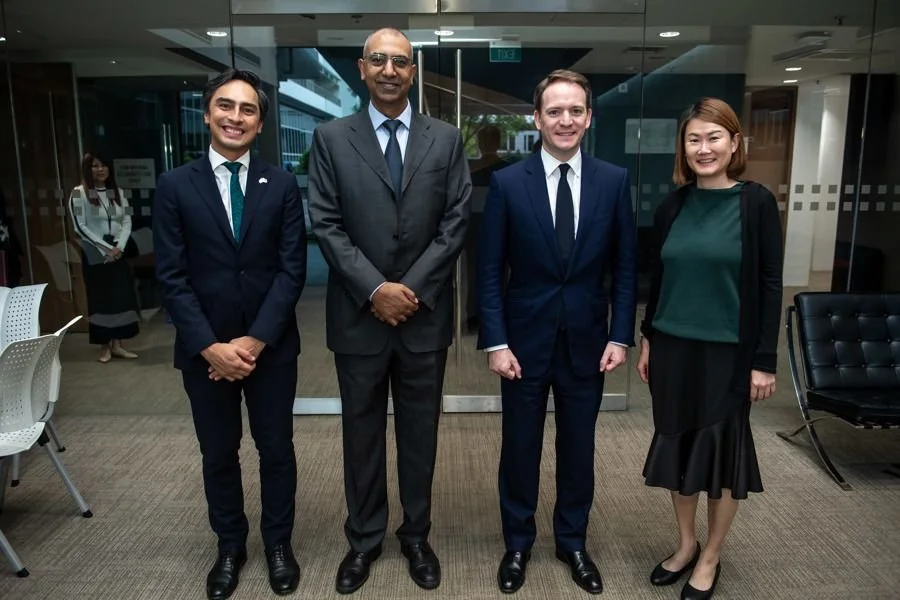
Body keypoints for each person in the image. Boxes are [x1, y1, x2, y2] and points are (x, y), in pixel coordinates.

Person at [307, 27, 470, 595]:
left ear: (413, 70)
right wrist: (376, 289)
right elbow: (324, 223)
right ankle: (364, 541)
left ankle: (416, 537)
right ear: (361, 68)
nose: (389, 70)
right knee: (362, 435)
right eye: (378, 60)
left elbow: (455, 223)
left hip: (424, 319)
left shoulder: (446, 140)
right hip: (358, 317)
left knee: (421, 436)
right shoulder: (330, 138)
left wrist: (412, 289)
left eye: (399, 61)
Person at [476, 69, 637, 595]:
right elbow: (489, 269)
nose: (564, 120)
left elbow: (627, 268)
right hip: (521, 345)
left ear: (589, 118)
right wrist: (495, 342)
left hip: (589, 343)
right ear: (537, 118)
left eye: (575, 111)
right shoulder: (505, 183)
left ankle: (573, 542)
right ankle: (518, 543)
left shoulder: (614, 181)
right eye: (554, 111)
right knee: (519, 449)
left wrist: (619, 336)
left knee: (578, 449)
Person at [154, 68, 307, 600]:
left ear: (260, 122)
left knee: (276, 450)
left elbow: (292, 270)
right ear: (207, 113)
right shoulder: (175, 185)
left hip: (271, 348)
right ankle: (229, 545)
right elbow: (170, 276)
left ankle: (279, 545)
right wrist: (210, 346)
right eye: (225, 106)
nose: (235, 117)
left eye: (247, 109)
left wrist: (256, 341)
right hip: (205, 352)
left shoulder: (282, 184)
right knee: (219, 452)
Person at [636, 97, 782, 600]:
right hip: (673, 348)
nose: (704, 148)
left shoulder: (756, 202)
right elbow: (660, 279)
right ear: (684, 146)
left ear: (734, 142)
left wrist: (765, 361)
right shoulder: (672, 205)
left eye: (714, 137)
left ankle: (712, 556)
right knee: (678, 449)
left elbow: (769, 285)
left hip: (728, 354)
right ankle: (684, 545)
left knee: (720, 457)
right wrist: (648, 337)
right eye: (694, 139)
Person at [69, 151, 141, 362]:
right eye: (95, 166)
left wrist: (118, 247)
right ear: (87, 169)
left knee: (120, 299)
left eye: (103, 165)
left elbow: (125, 221)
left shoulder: (116, 192)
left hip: (117, 251)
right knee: (101, 301)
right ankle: (104, 347)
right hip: (95, 253)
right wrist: (105, 249)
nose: (100, 170)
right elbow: (80, 227)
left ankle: (118, 344)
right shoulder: (79, 193)